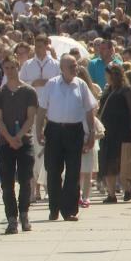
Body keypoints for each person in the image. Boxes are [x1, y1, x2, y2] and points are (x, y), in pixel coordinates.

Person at [36, 55, 97, 221]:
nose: (74, 68)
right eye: (71, 66)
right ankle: (54, 208)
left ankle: (69, 210)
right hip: (54, 130)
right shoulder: (52, 84)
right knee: (53, 170)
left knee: (73, 172)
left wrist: (91, 133)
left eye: (75, 65)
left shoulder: (81, 85)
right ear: (62, 68)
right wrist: (38, 129)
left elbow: (89, 110)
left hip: (74, 131)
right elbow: (42, 109)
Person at [0, 55, 37, 234]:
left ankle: (24, 213)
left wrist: (18, 136)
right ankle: (11, 218)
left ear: (18, 67)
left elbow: (30, 117)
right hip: (5, 143)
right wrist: (9, 138)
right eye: (6, 68)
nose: (9, 71)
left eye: (12, 67)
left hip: (24, 141)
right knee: (7, 183)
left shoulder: (29, 91)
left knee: (25, 180)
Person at [19, 34, 60, 202]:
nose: (38, 49)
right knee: (35, 149)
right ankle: (34, 188)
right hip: (34, 111)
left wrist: (47, 82)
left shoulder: (56, 65)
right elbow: (22, 83)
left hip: (52, 111)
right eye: (36, 46)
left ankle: (49, 186)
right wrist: (34, 81)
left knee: (50, 149)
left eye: (41, 46)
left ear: (47, 47)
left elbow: (59, 84)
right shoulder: (28, 65)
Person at [98, 64, 131, 203]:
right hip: (107, 131)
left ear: (114, 75)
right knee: (107, 162)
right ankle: (111, 194)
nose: (106, 77)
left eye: (107, 74)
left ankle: (127, 188)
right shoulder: (107, 90)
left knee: (122, 162)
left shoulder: (126, 90)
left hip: (122, 131)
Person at [76, 66, 102, 207]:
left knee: (87, 169)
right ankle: (78, 194)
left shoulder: (91, 92)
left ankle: (86, 196)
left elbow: (94, 111)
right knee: (78, 169)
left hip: (88, 128)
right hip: (76, 130)